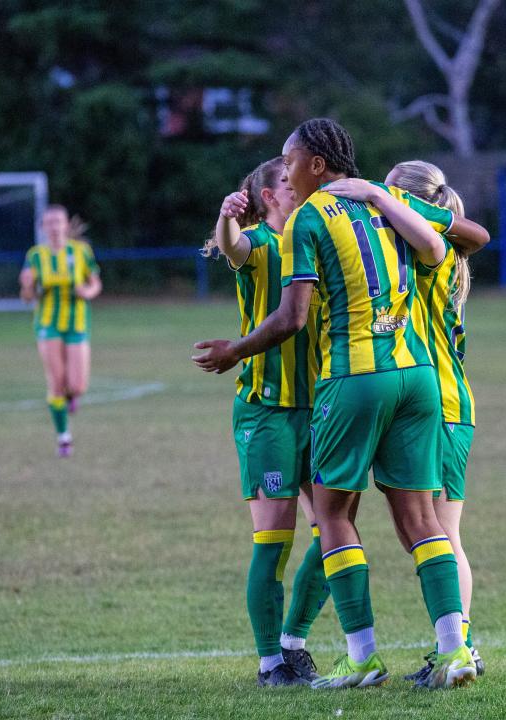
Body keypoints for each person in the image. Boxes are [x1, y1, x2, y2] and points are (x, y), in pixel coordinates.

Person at [193, 117, 490, 690]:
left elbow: (293, 317)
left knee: (332, 517)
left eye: (289, 162)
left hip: (353, 379)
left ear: (317, 165)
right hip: (420, 378)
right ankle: (455, 649)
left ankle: (361, 656)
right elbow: (467, 238)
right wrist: (383, 196)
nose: (283, 172)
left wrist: (235, 350)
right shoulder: (388, 202)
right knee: (423, 520)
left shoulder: (309, 216)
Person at [202, 157, 331, 687]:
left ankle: (292, 642)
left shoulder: (322, 236)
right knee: (274, 540)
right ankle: (269, 662)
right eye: (283, 181)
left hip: (324, 407)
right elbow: (230, 246)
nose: (294, 183)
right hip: (268, 411)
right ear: (267, 198)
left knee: (334, 538)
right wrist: (227, 216)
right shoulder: (258, 243)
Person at [370, 160, 487, 680]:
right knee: (436, 535)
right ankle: (458, 643)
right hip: (453, 405)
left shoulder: (425, 253)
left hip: (434, 407)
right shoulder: (443, 250)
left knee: (438, 537)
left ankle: (458, 645)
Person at [19, 205, 101, 457]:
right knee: (55, 383)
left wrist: (86, 292)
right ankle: (64, 439)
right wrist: (28, 287)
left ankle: (71, 396)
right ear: (43, 228)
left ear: (66, 225)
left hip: (77, 321)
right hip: (47, 323)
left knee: (77, 385)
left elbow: (95, 282)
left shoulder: (81, 252)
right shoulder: (35, 256)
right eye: (49, 223)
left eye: (58, 222)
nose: (54, 227)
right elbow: (27, 296)